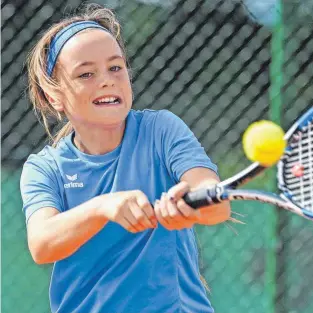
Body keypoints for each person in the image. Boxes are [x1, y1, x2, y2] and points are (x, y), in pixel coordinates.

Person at [20, 4, 230, 313]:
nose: (106, 80)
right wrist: (104, 206)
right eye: (86, 73)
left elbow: (218, 205)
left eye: (115, 67)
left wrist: (191, 204)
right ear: (55, 96)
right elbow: (42, 244)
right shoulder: (44, 168)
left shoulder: (161, 130)